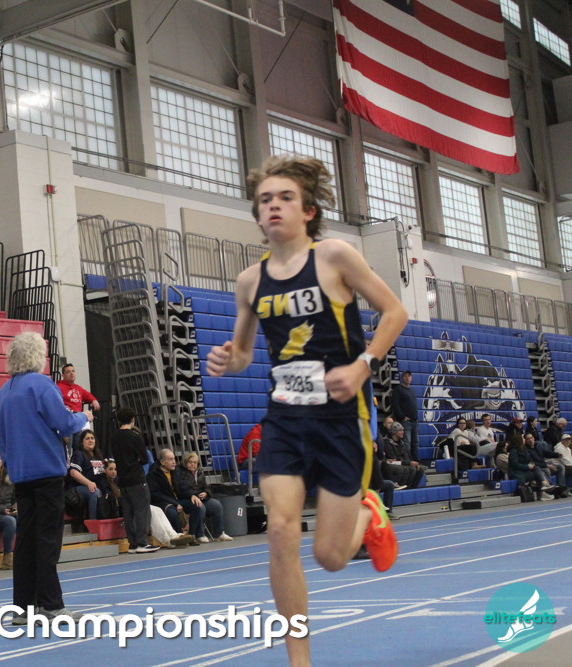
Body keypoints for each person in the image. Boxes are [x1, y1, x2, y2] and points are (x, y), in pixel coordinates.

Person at [206, 155, 407, 666]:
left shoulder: (335, 256)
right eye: (265, 200)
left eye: (285, 197)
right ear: (257, 215)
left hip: (341, 419)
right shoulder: (250, 281)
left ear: (309, 211)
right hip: (285, 419)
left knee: (330, 557)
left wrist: (362, 365)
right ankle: (300, 661)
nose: (273, 206)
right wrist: (229, 360)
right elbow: (245, 353)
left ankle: (369, 512)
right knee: (279, 530)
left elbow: (395, 311)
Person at [0, 331, 92, 623]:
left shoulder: (4, 391)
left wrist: (11, 465)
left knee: (25, 540)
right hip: (47, 471)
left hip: (21, 473)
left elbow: (3, 437)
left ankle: (23, 608)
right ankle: (51, 604)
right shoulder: (42, 384)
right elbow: (63, 423)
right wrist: (83, 417)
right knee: (48, 539)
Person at [108, 407, 160, 554]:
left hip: (123, 480)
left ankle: (132, 544)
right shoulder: (135, 436)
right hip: (136, 479)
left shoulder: (114, 437)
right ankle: (142, 542)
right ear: (133, 419)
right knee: (142, 511)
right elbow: (144, 459)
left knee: (128, 513)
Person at [178, 452, 232, 542]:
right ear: (185, 462)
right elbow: (182, 488)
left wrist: (206, 493)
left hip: (200, 498)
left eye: (195, 462)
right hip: (185, 499)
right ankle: (199, 534)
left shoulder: (199, 472)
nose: (193, 464)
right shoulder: (180, 473)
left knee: (216, 505)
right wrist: (194, 495)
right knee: (200, 506)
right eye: (190, 462)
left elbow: (206, 486)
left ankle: (219, 533)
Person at [68, 430, 104, 521]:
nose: (90, 440)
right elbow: (73, 472)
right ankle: (93, 523)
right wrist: (88, 483)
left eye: (92, 438)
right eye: (87, 438)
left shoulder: (98, 455)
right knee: (95, 492)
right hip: (79, 487)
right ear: (82, 442)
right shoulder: (79, 454)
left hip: (97, 485)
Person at [508, 432, 551, 500]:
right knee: (538, 473)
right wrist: (527, 466)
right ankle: (543, 490)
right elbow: (515, 465)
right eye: (523, 438)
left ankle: (544, 487)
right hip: (517, 473)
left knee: (537, 468)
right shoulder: (514, 451)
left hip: (524, 471)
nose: (524, 440)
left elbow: (529, 460)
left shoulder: (524, 449)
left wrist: (531, 464)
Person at [382, 422, 425, 489]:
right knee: (408, 469)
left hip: (401, 462)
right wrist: (409, 463)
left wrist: (413, 463)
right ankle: (403, 486)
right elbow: (393, 458)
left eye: (403, 430)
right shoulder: (386, 443)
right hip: (390, 463)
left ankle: (411, 488)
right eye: (400, 430)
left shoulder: (402, 443)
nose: (403, 432)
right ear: (394, 432)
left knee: (419, 469)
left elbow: (406, 456)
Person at [390, 370, 418, 461]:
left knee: (415, 443)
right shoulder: (398, 390)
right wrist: (402, 417)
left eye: (409, 376)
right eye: (405, 376)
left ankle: (416, 461)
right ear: (402, 378)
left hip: (414, 420)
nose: (407, 377)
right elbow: (395, 405)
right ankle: (408, 462)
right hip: (406, 422)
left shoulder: (412, 390)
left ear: (411, 378)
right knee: (407, 443)